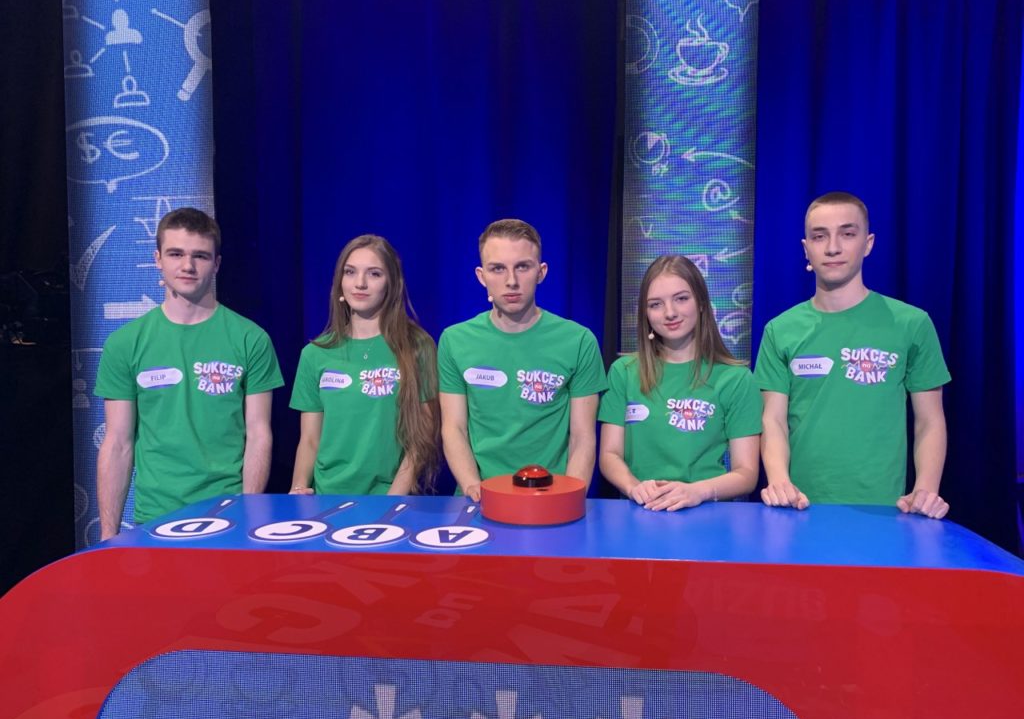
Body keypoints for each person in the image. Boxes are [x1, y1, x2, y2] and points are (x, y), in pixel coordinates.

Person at [754, 191, 951, 518]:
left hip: (884, 512)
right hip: (800, 509)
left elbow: (929, 420)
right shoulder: (780, 330)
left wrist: (925, 490)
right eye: (820, 236)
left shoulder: (911, 324)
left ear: (868, 243)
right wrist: (779, 481)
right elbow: (773, 419)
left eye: (847, 234)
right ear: (806, 248)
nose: (833, 247)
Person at [95, 208, 283, 538]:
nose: (188, 266)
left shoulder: (251, 339)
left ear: (217, 263)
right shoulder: (124, 343)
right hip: (154, 520)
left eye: (200, 256)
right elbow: (118, 443)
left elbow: (258, 434)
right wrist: (108, 536)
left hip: (229, 517)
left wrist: (249, 516)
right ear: (157, 259)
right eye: (176, 254)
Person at [438, 218, 606, 500]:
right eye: (498, 268)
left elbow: (583, 437)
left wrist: (567, 500)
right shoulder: (454, 340)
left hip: (550, 499)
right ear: (481, 276)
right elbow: (454, 428)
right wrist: (473, 488)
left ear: (541, 272)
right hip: (478, 500)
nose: (511, 281)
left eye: (522, 267)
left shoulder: (578, 341)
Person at [599, 255, 761, 510]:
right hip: (640, 512)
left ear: (701, 303)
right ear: (645, 313)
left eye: (681, 299)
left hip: (707, 514)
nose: (670, 313)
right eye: (656, 304)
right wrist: (634, 487)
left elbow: (746, 473)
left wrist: (697, 492)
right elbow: (609, 455)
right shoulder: (623, 372)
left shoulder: (736, 379)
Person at [289, 235, 439, 495]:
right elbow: (310, 440)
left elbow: (424, 434)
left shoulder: (417, 346)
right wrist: (298, 488)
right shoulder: (315, 354)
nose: (360, 283)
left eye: (374, 273)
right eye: (350, 272)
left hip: (390, 499)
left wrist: (393, 498)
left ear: (392, 282)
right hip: (326, 500)